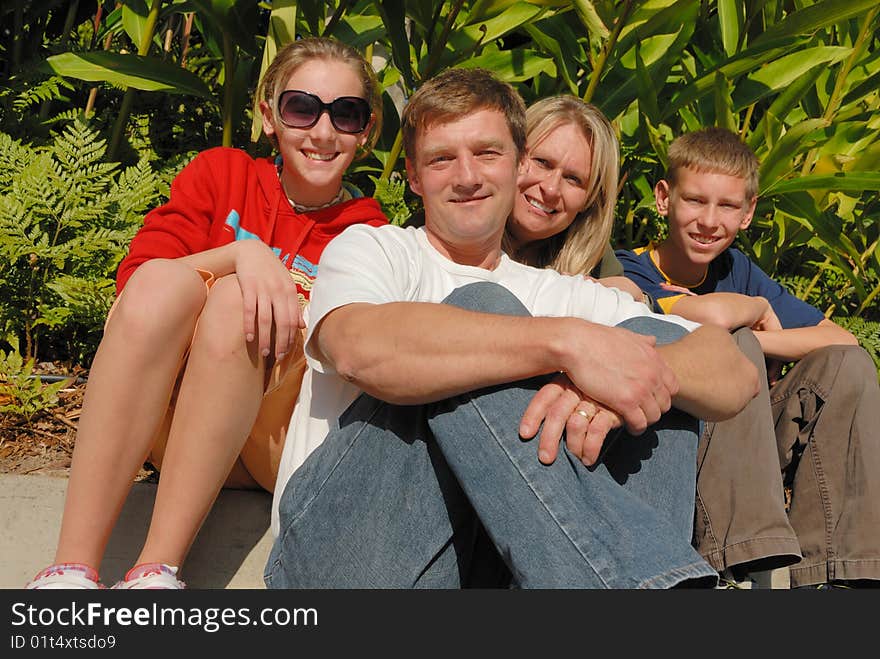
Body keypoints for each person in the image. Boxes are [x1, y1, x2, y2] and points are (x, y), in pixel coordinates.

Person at [265, 68, 759, 589]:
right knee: (484, 307)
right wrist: (565, 345)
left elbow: (734, 374)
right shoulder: (374, 249)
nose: (467, 176)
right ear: (413, 176)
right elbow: (357, 349)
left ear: (517, 162)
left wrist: (606, 394)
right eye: (441, 159)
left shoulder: (561, 292)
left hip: (481, 570)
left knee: (655, 369)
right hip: (340, 553)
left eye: (487, 153)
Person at [26, 37, 388, 590]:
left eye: (346, 114)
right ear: (268, 116)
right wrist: (242, 253)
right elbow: (137, 290)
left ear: (366, 132)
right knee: (171, 288)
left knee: (232, 303)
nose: (321, 131)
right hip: (173, 424)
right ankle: (70, 571)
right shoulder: (222, 174)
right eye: (301, 108)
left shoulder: (368, 232)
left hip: (275, 444)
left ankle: (156, 570)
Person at [616, 126, 880, 587]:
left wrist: (762, 341)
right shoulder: (630, 267)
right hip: (675, 444)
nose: (709, 221)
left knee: (848, 367)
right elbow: (713, 315)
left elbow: (842, 340)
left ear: (747, 213)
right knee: (731, 344)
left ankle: (839, 571)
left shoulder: (738, 269)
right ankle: (737, 565)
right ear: (663, 198)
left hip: (751, 445)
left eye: (727, 206)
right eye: (695, 200)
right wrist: (753, 316)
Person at [504, 94, 642, 301]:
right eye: (542, 162)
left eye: (573, 179)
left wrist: (635, 297)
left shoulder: (594, 258)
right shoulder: (453, 229)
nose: (551, 189)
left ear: (591, 199)